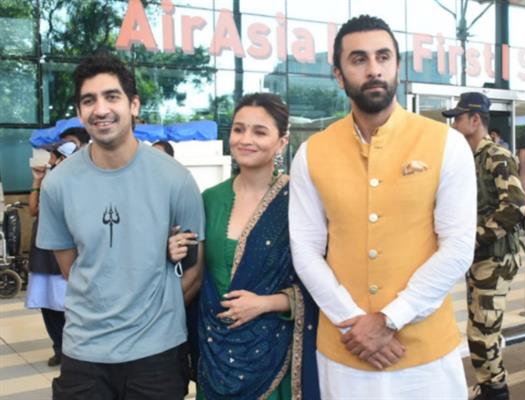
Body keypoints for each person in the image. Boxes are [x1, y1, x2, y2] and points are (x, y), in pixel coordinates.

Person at [289, 15, 477, 399]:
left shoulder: (446, 144)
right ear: (339, 75)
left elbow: (457, 247)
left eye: (383, 57)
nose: (373, 69)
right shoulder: (311, 153)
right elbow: (306, 249)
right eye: (358, 60)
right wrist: (353, 324)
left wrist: (390, 319)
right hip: (346, 351)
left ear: (397, 67)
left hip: (426, 353)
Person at [36, 52, 205, 400]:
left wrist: (154, 312)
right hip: (84, 354)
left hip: (157, 354)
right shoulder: (58, 184)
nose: (100, 109)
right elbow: (71, 268)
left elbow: (194, 271)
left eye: (112, 96)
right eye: (88, 100)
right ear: (81, 112)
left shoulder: (175, 179)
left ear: (134, 105)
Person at [170, 93, 319, 399]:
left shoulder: (299, 200)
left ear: (282, 142)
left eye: (260, 131)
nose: (245, 139)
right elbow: (195, 276)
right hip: (214, 352)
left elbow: (321, 284)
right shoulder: (210, 199)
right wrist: (174, 253)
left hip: (275, 352)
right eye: (238, 129)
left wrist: (266, 303)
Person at [443, 92, 525, 400]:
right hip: (480, 257)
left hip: (495, 257)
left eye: (458, 118)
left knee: (482, 332)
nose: (454, 124)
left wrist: (475, 236)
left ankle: (496, 391)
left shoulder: (495, 155)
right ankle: (490, 387)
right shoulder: (470, 156)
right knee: (479, 330)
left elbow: (515, 206)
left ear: (474, 120)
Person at [26, 140, 78, 367]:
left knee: (67, 303)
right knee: (47, 302)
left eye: (53, 156)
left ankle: (72, 350)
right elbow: (33, 210)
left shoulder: (76, 181)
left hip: (65, 249)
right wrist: (37, 181)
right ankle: (59, 347)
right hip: (42, 249)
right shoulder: (49, 180)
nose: (49, 161)